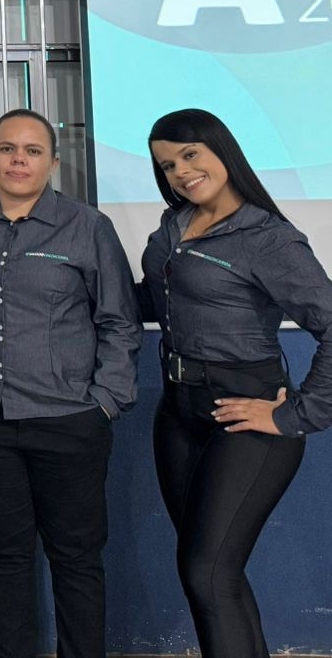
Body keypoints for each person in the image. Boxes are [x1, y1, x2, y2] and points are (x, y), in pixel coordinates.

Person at [0, 108, 140, 658]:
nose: (18, 160)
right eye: (7, 149)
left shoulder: (87, 227)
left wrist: (105, 402)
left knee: (76, 558)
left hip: (69, 421)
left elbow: (120, 321)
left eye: (32, 151)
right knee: (5, 553)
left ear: (53, 163)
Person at [142, 108, 332, 658]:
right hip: (178, 413)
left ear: (221, 150)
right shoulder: (174, 225)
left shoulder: (268, 238)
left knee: (207, 572)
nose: (180, 172)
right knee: (212, 575)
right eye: (167, 165)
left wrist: (294, 415)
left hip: (244, 414)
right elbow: (158, 299)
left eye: (190, 155)